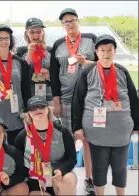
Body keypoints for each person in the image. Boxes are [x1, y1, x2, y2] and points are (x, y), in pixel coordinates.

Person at [72, 34, 139, 196]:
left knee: (120, 167)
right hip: (97, 131)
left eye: (110, 50)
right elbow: (77, 100)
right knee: (99, 166)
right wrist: (77, 127)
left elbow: (133, 99)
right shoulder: (88, 71)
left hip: (121, 131)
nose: (106, 53)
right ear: (96, 52)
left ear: (115, 52)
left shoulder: (122, 71)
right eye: (102, 50)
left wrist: (137, 126)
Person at [50, 8, 97, 195]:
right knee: (66, 141)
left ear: (78, 21)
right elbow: (54, 75)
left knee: (87, 141)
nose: (69, 24)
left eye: (72, 20)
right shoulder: (58, 44)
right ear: (62, 25)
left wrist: (86, 63)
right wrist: (56, 101)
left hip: (88, 99)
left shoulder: (90, 39)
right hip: (66, 100)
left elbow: (102, 64)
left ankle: (89, 179)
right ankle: (65, 177)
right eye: (66, 22)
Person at [14, 96, 77, 195]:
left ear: (48, 109)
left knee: (70, 179)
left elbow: (72, 158)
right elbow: (19, 165)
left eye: (41, 106)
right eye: (33, 108)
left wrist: (60, 170)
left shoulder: (62, 132)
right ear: (28, 113)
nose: (38, 109)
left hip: (57, 176)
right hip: (36, 181)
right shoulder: (23, 137)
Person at [0, 24, 31, 145]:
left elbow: (26, 89)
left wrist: (28, 111)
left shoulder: (20, 62)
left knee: (17, 148)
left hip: (16, 113)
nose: (4, 41)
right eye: (0, 38)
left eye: (6, 38)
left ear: (11, 40)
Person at [16, 18, 53, 105]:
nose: (36, 35)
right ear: (27, 33)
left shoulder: (50, 50)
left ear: (43, 32)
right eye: (32, 32)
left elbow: (57, 77)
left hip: (49, 96)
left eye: (38, 32)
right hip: (29, 97)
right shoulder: (20, 51)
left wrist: (48, 76)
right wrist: (29, 54)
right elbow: (20, 74)